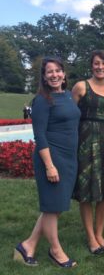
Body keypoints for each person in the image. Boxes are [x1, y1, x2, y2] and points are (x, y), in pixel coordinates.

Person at [13, 57, 80, 268]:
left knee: (55, 206)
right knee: (52, 207)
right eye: (49, 72)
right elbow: (39, 135)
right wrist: (50, 166)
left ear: (64, 73)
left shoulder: (68, 96)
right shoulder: (42, 99)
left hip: (69, 158)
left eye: (58, 71)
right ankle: (55, 250)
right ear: (44, 76)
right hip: (51, 157)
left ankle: (28, 245)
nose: (54, 75)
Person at [72, 50, 104, 254]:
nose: (100, 67)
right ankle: (90, 237)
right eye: (96, 63)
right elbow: (69, 115)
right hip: (86, 141)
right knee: (86, 192)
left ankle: (100, 233)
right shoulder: (81, 86)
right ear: (91, 65)